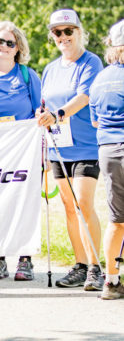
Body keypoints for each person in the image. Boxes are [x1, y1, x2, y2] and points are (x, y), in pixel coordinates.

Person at [37, 9, 104, 291]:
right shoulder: (51, 69)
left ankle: (96, 267)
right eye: (57, 32)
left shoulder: (91, 61)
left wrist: (59, 113)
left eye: (68, 31)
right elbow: (43, 102)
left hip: (86, 146)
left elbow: (84, 96)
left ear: (79, 31)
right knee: (68, 206)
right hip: (58, 148)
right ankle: (79, 265)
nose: (63, 37)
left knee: (84, 204)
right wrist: (43, 114)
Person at [0, 21, 41, 281]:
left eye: (9, 43)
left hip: (23, 153)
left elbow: (39, 113)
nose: (3, 46)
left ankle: (25, 259)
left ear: (18, 49)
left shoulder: (27, 76)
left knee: (23, 204)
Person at [89, 19, 124, 300]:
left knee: (117, 219)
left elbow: (95, 121)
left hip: (107, 150)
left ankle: (111, 282)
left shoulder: (100, 78)